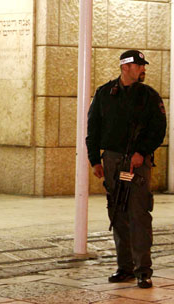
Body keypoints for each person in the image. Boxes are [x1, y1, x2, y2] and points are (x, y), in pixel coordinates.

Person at [86, 50, 166, 289]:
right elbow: (93, 128)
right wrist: (94, 161)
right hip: (111, 161)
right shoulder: (105, 93)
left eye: (143, 66)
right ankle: (125, 268)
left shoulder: (149, 96)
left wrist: (142, 151)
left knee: (139, 215)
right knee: (118, 212)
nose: (143, 70)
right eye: (139, 66)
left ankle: (143, 270)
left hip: (137, 163)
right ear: (125, 67)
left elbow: (158, 129)